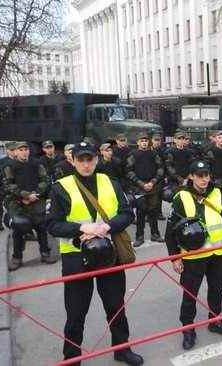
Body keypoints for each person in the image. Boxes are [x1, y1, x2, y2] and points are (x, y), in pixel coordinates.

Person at [47, 142, 143, 366]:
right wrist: (82, 228)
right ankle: (72, 358)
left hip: (109, 254)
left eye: (90, 159)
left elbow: (127, 213)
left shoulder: (110, 182)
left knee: (115, 305)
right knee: (76, 312)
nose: (86, 164)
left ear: (97, 160)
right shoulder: (60, 187)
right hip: (76, 259)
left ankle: (122, 348)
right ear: (72, 161)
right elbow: (52, 224)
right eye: (81, 159)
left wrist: (107, 227)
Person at [166, 160, 222, 351]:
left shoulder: (218, 192)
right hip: (193, 255)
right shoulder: (181, 196)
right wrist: (175, 257)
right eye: (199, 175)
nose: (204, 179)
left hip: (218, 252)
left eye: (206, 175)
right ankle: (188, 329)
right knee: (190, 294)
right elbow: (170, 231)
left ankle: (215, 320)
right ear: (191, 176)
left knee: (216, 289)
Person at [3, 142, 56, 270]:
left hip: (36, 201)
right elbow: (8, 184)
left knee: (41, 227)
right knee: (18, 230)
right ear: (15, 152)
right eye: (21, 150)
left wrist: (35, 193)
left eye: (26, 149)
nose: (24, 152)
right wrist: (24, 195)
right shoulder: (9, 166)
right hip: (18, 203)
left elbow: (45, 180)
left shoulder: (36, 164)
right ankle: (17, 257)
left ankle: (45, 253)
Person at [126, 133, 165, 246]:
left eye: (146, 141)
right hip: (139, 188)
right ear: (138, 142)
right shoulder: (133, 154)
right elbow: (129, 170)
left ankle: (155, 234)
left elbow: (160, 168)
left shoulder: (154, 153)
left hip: (153, 187)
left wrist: (153, 182)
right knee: (141, 212)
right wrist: (141, 184)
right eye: (142, 141)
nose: (144, 143)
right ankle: (139, 236)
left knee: (153, 211)